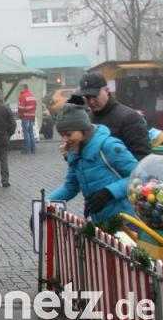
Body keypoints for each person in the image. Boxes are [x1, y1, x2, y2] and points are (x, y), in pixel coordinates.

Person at [47, 96, 138, 226]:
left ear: (83, 129)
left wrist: (109, 192)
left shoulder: (109, 146)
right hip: (100, 222)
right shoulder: (75, 151)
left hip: (126, 222)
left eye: (69, 134)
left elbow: (137, 177)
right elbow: (70, 187)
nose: (65, 140)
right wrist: (44, 204)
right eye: (62, 135)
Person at [78, 73, 151, 160]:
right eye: (87, 97)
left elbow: (142, 156)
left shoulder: (130, 118)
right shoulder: (86, 119)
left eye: (94, 96)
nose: (91, 101)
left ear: (107, 90)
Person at [18, 84, 38, 154]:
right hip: (32, 116)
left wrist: (20, 115)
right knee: (31, 132)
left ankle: (27, 149)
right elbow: (35, 106)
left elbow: (21, 108)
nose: (19, 90)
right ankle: (33, 148)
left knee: (26, 133)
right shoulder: (32, 95)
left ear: (24, 88)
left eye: (20, 88)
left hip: (25, 116)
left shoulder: (23, 96)